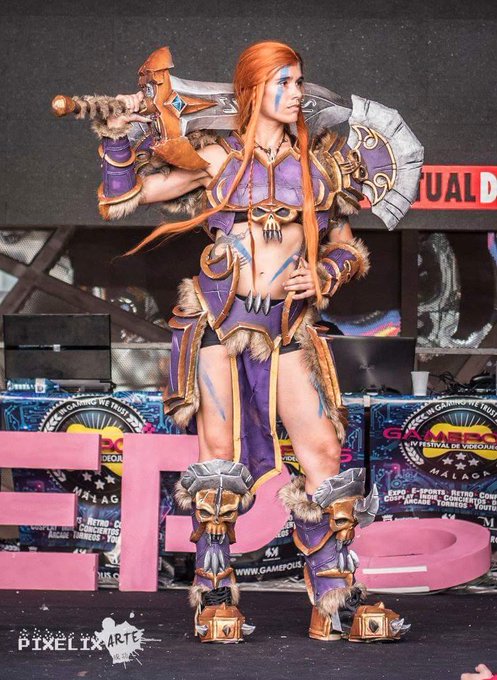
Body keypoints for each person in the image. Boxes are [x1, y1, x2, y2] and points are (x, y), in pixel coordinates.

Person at [93, 40, 419, 643]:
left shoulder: (321, 166)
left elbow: (346, 246)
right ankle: (215, 595)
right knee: (219, 459)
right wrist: (119, 138)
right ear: (252, 89)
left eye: (298, 81)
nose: (296, 93)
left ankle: (334, 599)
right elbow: (122, 198)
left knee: (323, 453)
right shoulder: (218, 159)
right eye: (283, 81)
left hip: (288, 328)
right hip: (218, 323)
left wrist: (324, 273)